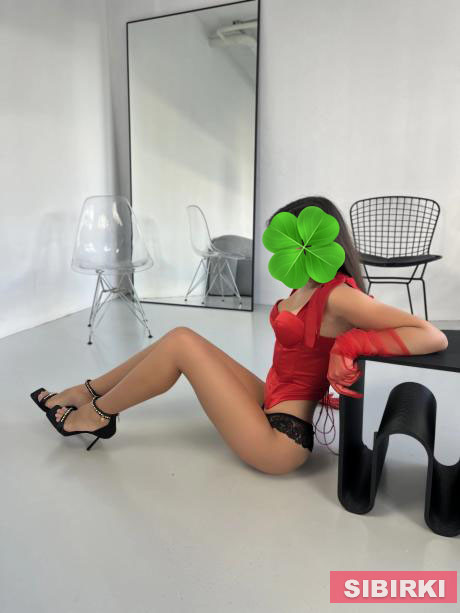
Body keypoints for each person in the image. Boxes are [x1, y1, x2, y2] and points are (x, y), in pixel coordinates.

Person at [31, 196, 448, 475]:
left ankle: (97, 416)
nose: (283, 250)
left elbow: (431, 335)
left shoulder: (339, 294)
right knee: (179, 335)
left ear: (318, 239)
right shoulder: (305, 284)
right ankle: (86, 392)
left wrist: (349, 344)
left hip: (281, 441)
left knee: (181, 344)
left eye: (293, 240)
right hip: (271, 399)